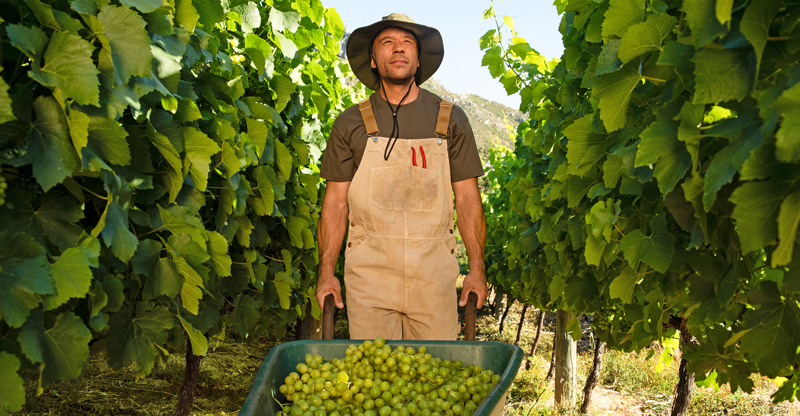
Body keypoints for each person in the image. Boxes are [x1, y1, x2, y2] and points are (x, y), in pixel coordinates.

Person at [315, 13, 488, 340]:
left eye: (407, 42)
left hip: (433, 278)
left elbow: (466, 198)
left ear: (418, 59)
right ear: (373, 60)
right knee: (376, 379)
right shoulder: (350, 123)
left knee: (436, 378)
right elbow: (336, 204)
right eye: (388, 43)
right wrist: (326, 273)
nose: (399, 49)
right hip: (369, 280)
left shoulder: (450, 119)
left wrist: (476, 269)